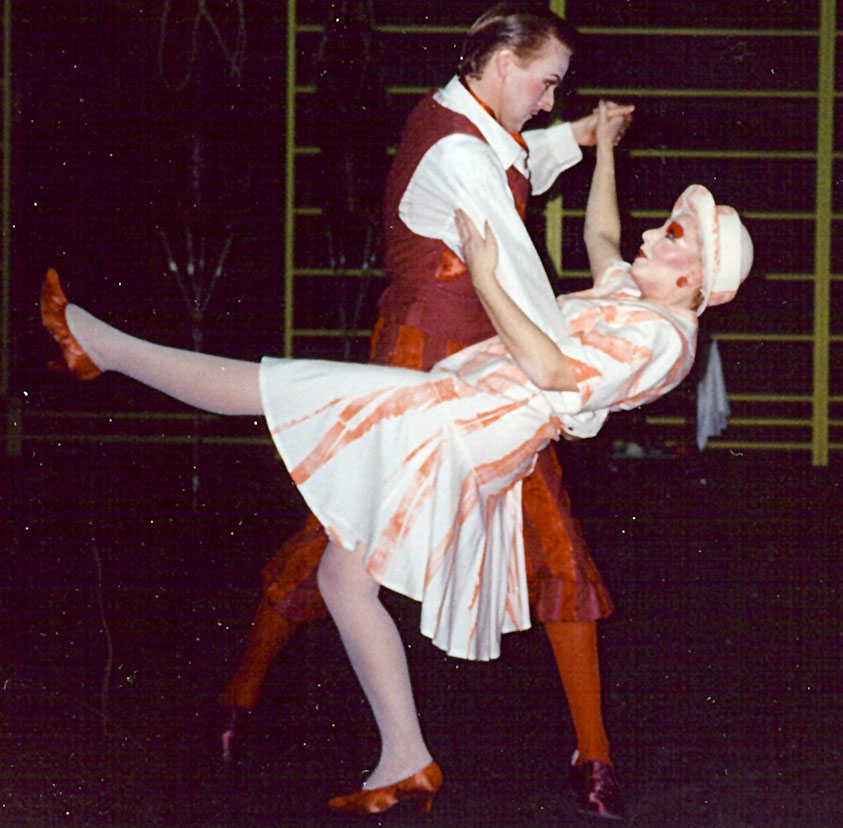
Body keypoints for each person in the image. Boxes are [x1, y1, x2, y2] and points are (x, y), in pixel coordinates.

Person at [41, 101, 753, 816]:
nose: (651, 235)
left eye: (673, 235)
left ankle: (102, 347)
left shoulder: (661, 341)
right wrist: (604, 150)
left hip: (459, 427)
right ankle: (406, 758)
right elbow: (601, 234)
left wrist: (487, 275)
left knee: (283, 389)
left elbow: (549, 370)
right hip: (458, 412)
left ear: (694, 277)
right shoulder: (637, 300)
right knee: (341, 578)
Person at [219, 4, 634, 818]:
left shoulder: (458, 117)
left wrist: (582, 135)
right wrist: (576, 389)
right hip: (427, 367)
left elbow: (513, 160)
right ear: (503, 63)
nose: (550, 100)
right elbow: (519, 278)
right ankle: (238, 696)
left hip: (482, 369)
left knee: (543, 533)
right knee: (345, 537)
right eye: (546, 84)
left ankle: (594, 752)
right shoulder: (459, 150)